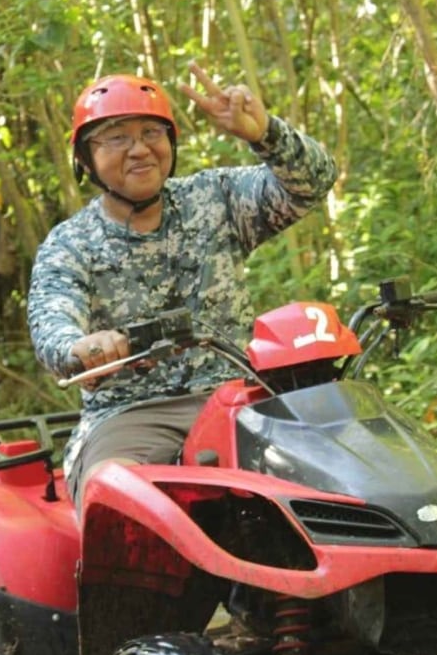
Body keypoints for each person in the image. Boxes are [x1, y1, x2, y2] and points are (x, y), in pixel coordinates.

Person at [27, 64, 339, 504]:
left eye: (152, 133)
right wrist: (82, 348)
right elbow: (51, 323)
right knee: (116, 495)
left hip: (238, 401)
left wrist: (263, 132)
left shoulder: (214, 198)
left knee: (341, 473)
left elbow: (314, 181)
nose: (139, 150)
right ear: (86, 160)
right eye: (116, 138)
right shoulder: (70, 243)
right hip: (130, 415)